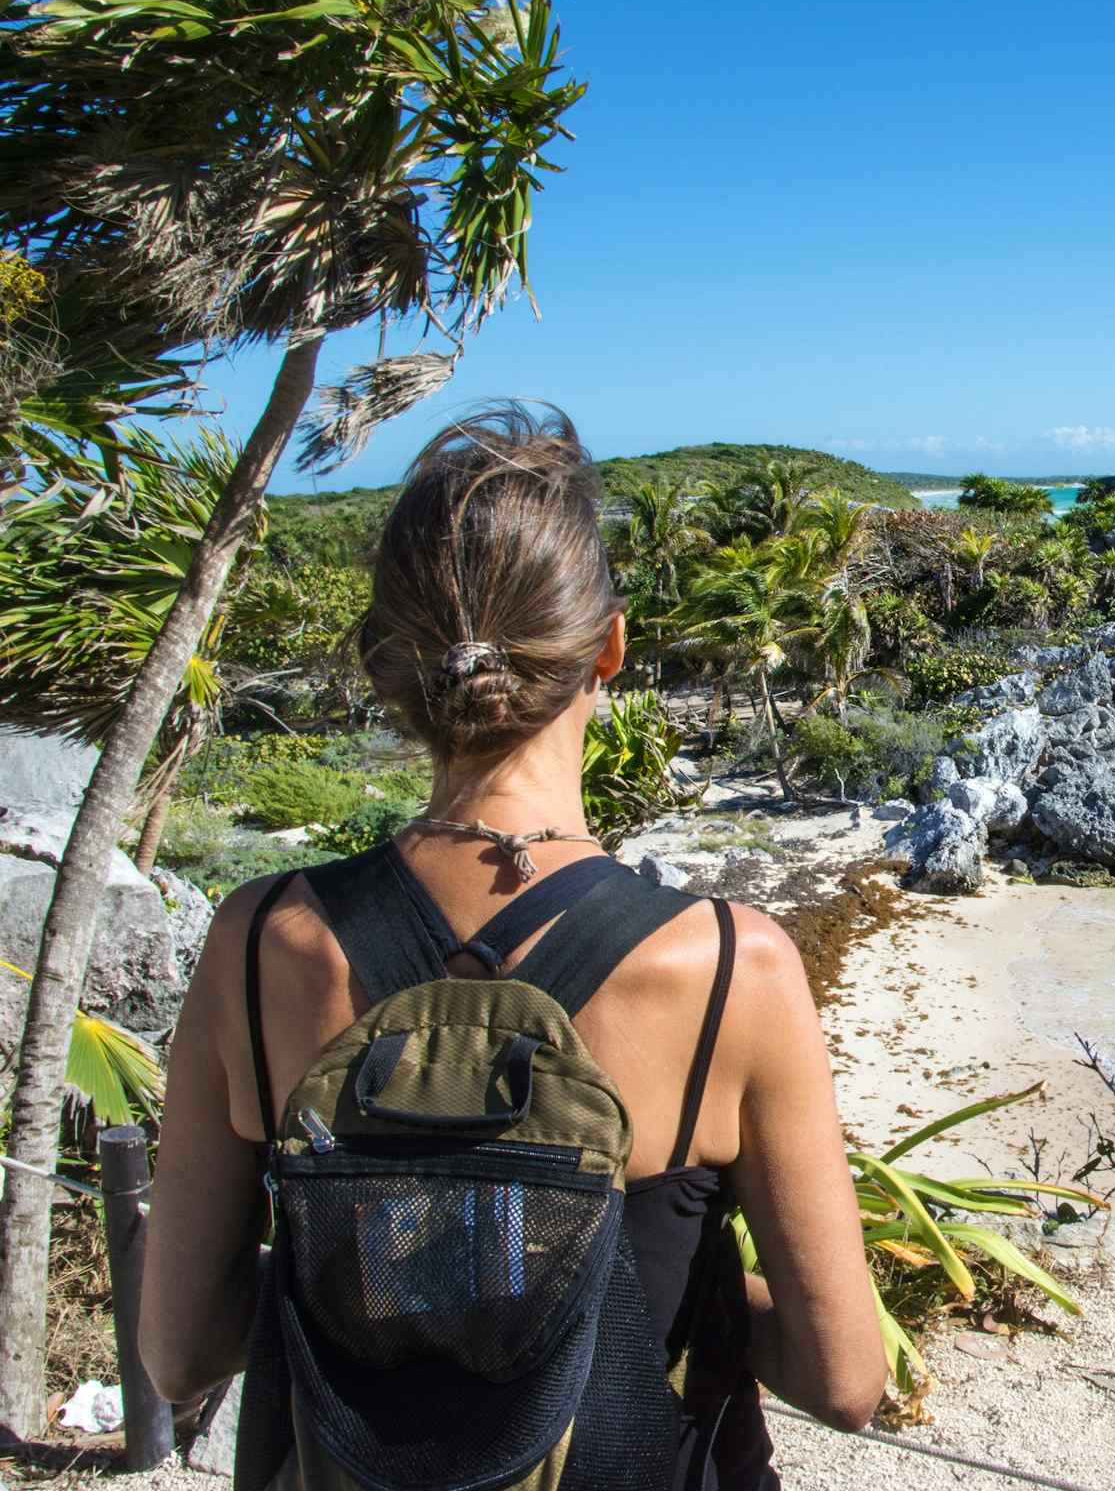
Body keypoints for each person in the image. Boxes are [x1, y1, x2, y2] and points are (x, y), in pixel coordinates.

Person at [140, 404, 885, 1488]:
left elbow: (179, 1351)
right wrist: (669, 1295)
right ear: (611, 648)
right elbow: (845, 1380)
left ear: (385, 665)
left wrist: (387, 1274)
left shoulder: (260, 941)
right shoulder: (729, 968)